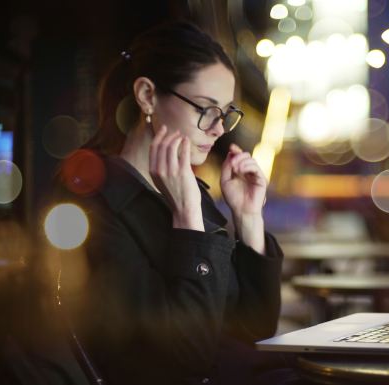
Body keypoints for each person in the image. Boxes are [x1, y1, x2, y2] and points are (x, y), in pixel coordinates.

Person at [57, 21, 294, 385]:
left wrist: (248, 219)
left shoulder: (190, 191)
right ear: (148, 96)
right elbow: (184, 361)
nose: (218, 128)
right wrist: (187, 218)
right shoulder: (95, 204)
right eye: (206, 109)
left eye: (226, 112)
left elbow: (253, 333)